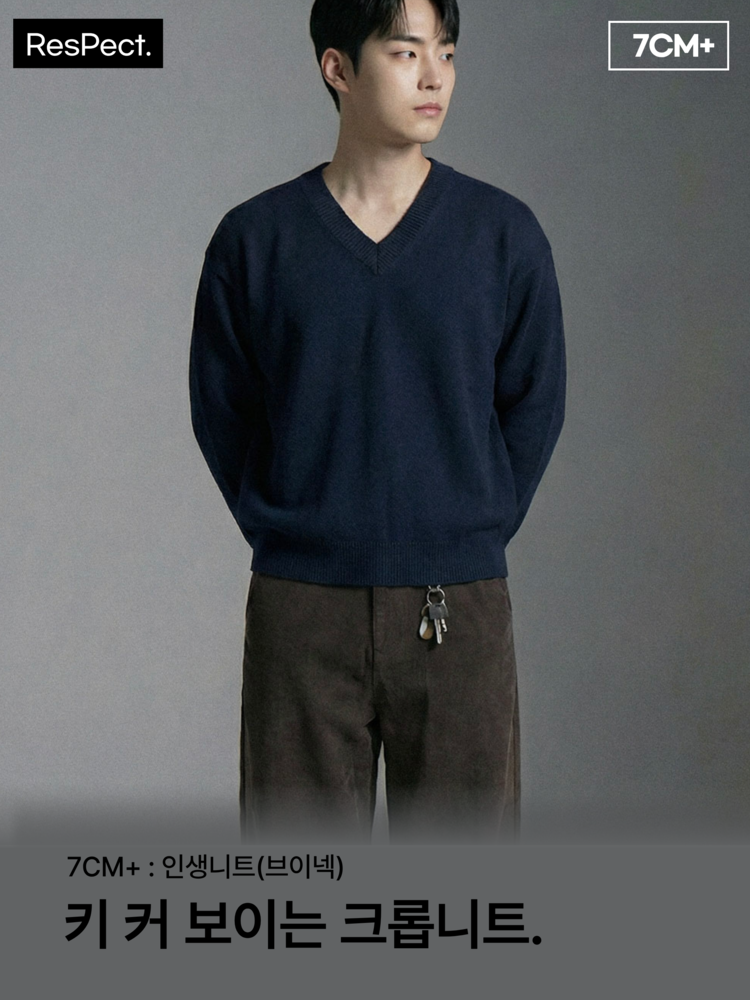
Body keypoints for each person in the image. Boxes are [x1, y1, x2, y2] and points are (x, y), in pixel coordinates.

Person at [189, 0, 566, 844]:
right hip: (300, 612)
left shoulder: (503, 237)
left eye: (447, 52)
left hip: (459, 607)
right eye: (405, 52)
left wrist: (465, 527)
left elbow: (535, 401)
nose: (435, 77)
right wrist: (292, 526)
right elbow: (222, 408)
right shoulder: (256, 241)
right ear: (338, 68)